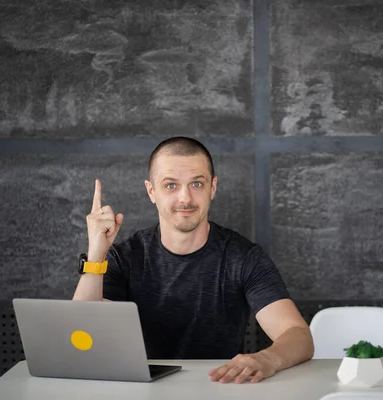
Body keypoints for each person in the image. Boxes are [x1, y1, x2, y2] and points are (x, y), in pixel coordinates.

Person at [72, 136, 314, 384]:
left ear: (213, 187)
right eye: (170, 186)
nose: (185, 199)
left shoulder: (243, 257)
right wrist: (95, 255)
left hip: (220, 388)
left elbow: (299, 336)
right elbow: (80, 335)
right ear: (151, 191)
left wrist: (267, 359)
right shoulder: (124, 256)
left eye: (197, 184)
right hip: (140, 389)